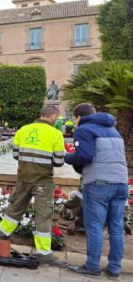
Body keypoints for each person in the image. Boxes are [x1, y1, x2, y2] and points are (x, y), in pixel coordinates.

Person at [0, 105, 67, 267]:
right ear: (54, 117)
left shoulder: (23, 130)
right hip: (42, 180)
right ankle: (43, 253)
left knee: (16, 206)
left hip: (23, 178)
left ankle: (2, 232)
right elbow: (59, 162)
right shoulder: (55, 134)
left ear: (41, 115)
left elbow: (15, 155)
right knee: (43, 214)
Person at [64, 103, 128, 279]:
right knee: (116, 227)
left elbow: (85, 156)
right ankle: (114, 269)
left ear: (78, 117)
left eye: (74, 119)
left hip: (99, 184)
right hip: (121, 183)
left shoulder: (84, 129)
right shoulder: (113, 129)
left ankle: (92, 266)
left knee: (95, 226)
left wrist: (67, 157)